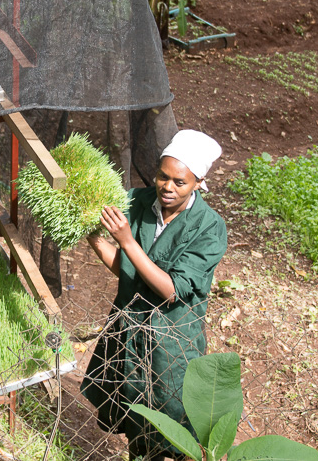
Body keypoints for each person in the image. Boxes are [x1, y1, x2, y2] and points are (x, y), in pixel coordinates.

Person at [80, 129, 228, 461]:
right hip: (129, 330)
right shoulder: (137, 200)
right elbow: (128, 270)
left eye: (180, 182)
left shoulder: (209, 227)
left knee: (173, 426)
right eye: (163, 176)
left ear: (198, 183)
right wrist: (92, 235)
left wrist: (126, 240)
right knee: (136, 419)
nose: (167, 187)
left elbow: (171, 289)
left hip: (171, 341)